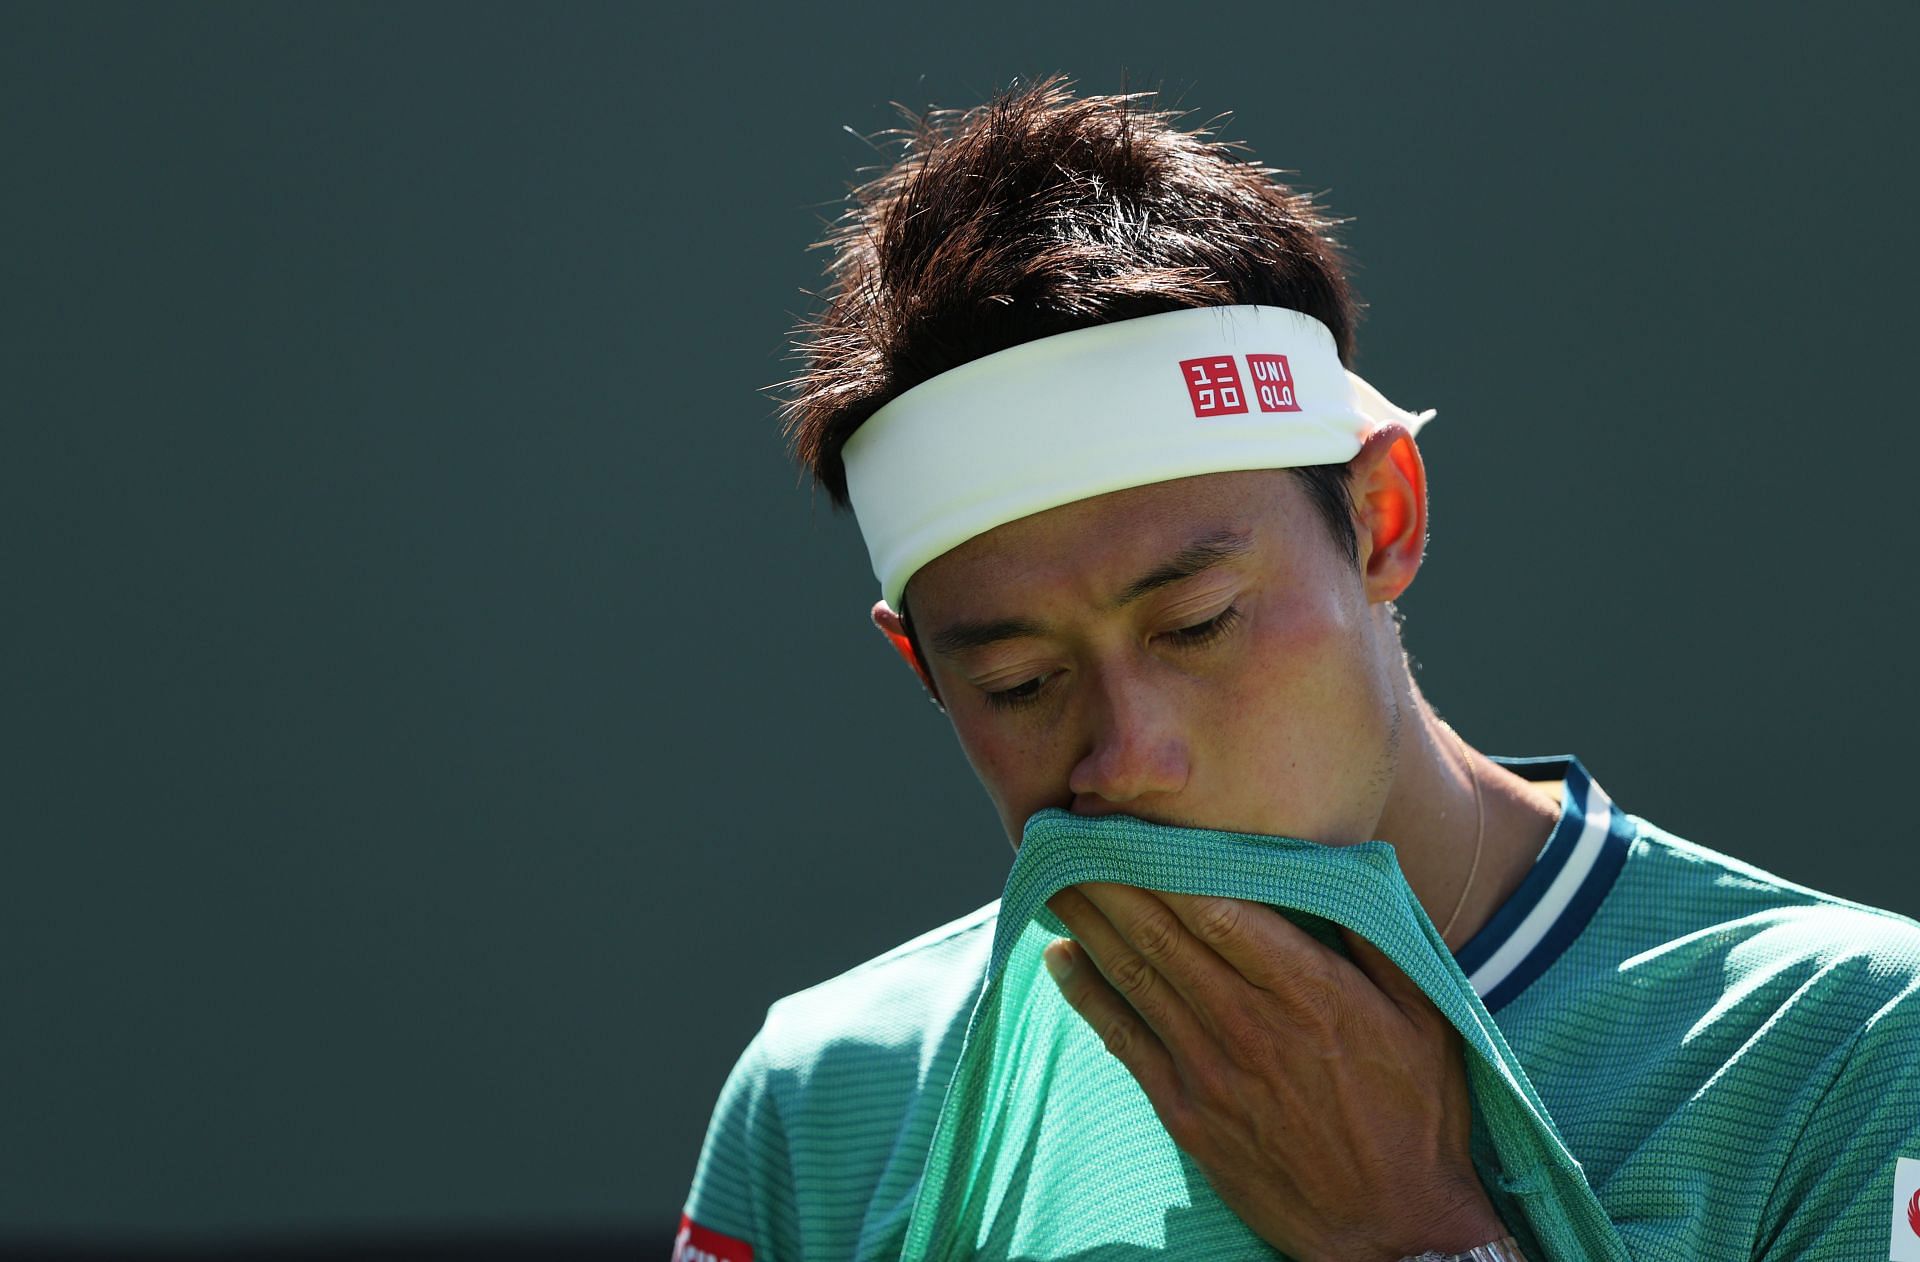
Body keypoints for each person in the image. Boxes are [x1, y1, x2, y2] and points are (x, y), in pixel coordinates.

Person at [673, 75, 1920, 1262]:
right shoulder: (830, 1099)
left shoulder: (1850, 1050)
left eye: (1199, 621)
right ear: (923, 672)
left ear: (1382, 519)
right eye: (1018, 684)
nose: (1130, 756)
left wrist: (1415, 1227)